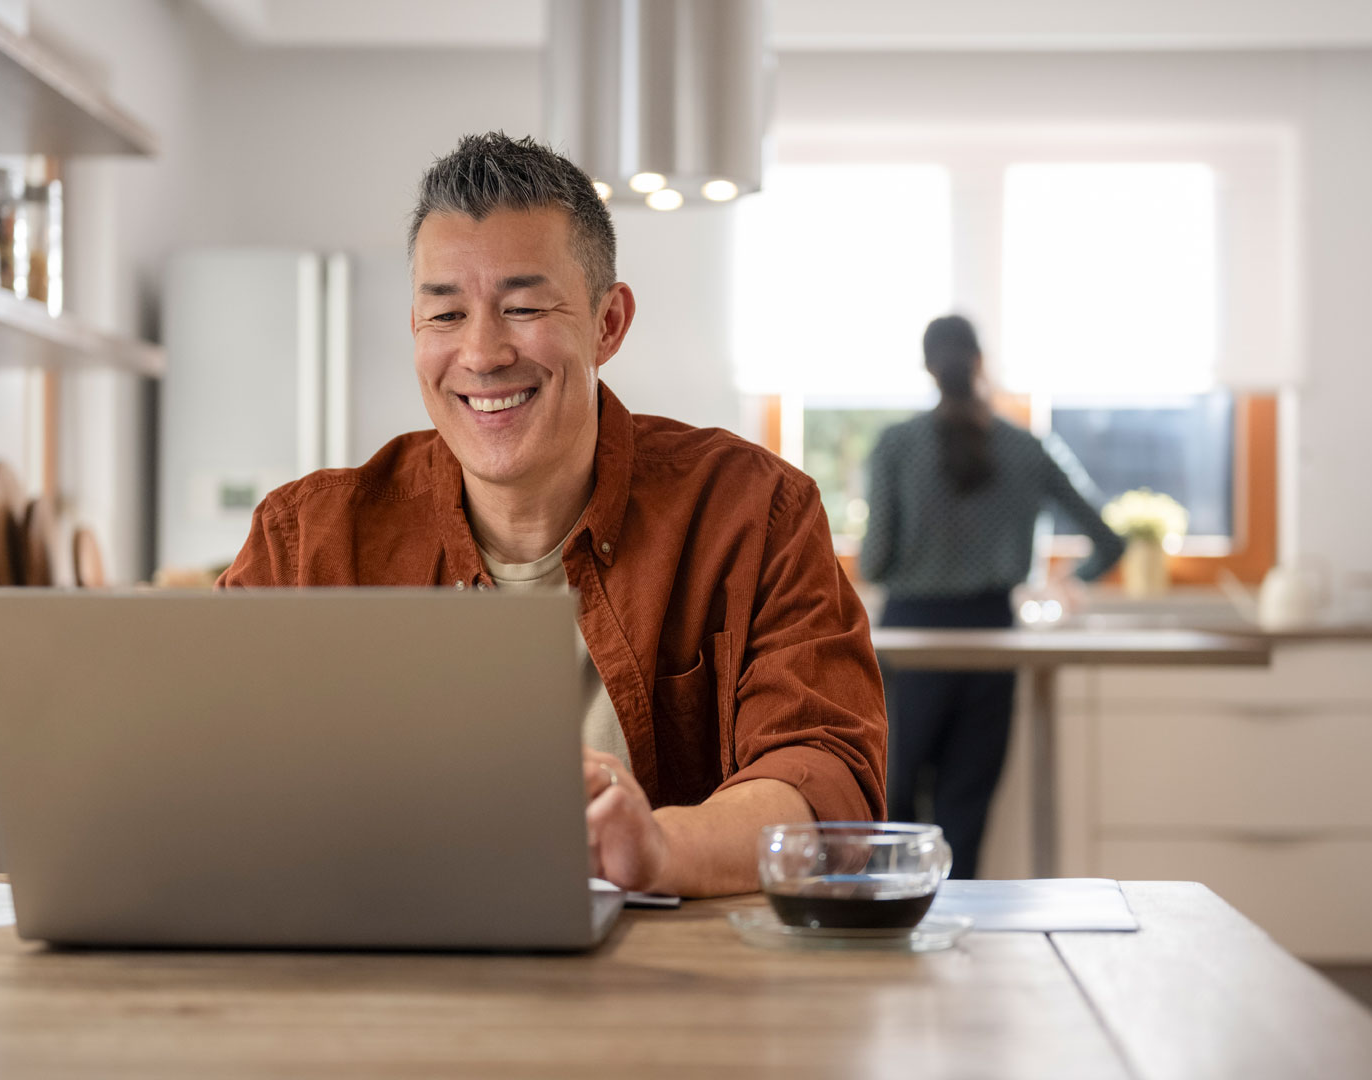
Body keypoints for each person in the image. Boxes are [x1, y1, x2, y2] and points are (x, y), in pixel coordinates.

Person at [218, 132, 886, 898]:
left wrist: (658, 848)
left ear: (608, 324)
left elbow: (827, 783)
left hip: (678, 993)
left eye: (523, 307)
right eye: (445, 315)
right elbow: (202, 771)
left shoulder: (755, 511)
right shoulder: (306, 541)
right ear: (415, 330)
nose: (481, 352)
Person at [859, 315, 1123, 879]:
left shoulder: (896, 446)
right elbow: (1108, 540)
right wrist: (1069, 583)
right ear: (981, 362)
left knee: (894, 798)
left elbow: (875, 561)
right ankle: (957, 944)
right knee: (967, 806)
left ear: (928, 366)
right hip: (993, 637)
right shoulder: (1027, 449)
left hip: (910, 637)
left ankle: (891, 931)